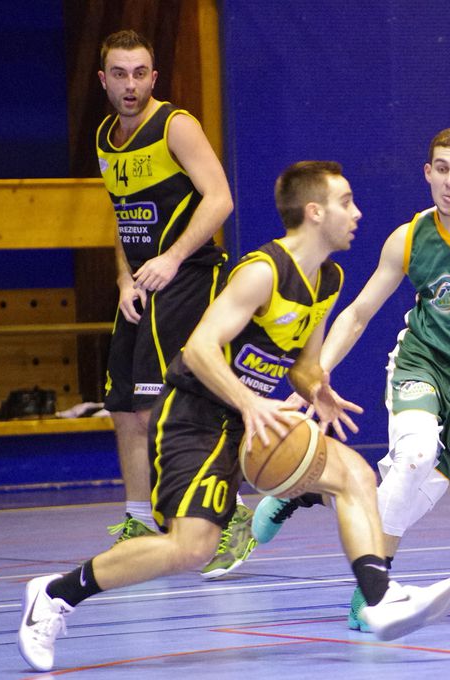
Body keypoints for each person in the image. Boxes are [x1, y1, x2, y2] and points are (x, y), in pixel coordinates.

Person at [17, 161, 450, 672]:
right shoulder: (261, 272)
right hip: (195, 416)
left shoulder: (328, 279)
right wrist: (249, 402)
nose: (357, 212)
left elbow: (304, 363)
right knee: (192, 548)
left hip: (248, 421)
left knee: (355, 475)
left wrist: (318, 388)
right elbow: (201, 348)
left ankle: (379, 599)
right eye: (346, 202)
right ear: (314, 212)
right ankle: (53, 594)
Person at [252, 127, 450, 630]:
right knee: (415, 455)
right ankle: (374, 594)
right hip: (420, 362)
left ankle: (305, 491)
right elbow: (357, 315)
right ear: (427, 173)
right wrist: (315, 376)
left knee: (410, 490)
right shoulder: (410, 236)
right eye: (441, 168)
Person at [95, 30, 255, 579]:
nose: (131, 84)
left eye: (140, 73)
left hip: (186, 277)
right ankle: (140, 519)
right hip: (141, 286)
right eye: (120, 74)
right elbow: (122, 217)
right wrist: (124, 279)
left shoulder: (176, 126)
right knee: (122, 409)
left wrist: (172, 257)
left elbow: (220, 198)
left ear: (154, 77)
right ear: (104, 80)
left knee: (167, 407)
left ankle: (229, 519)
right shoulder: (106, 138)